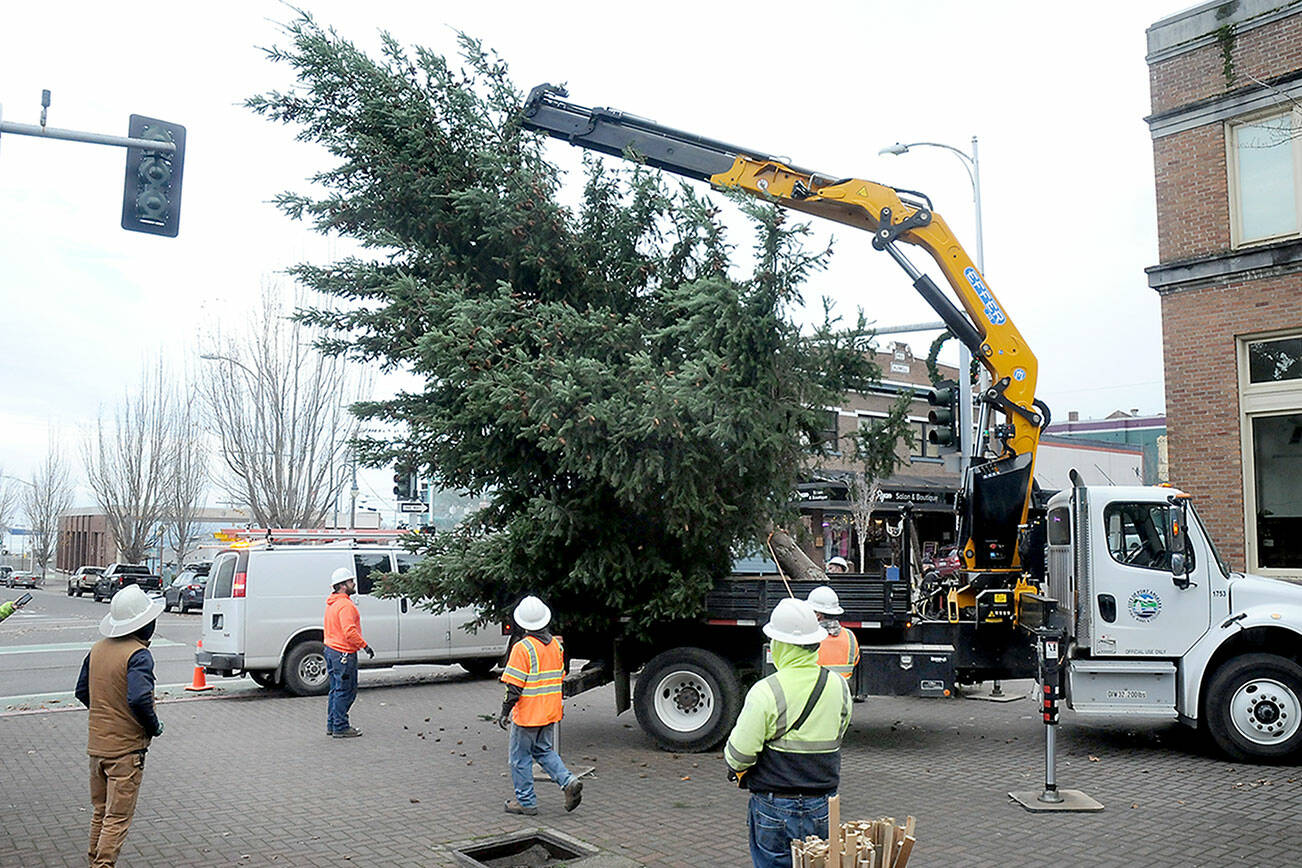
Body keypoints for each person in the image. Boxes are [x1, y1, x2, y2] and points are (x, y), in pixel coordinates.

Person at [724, 597, 852, 868]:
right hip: (822, 804)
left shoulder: (766, 691)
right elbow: (839, 732)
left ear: (780, 645)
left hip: (774, 806)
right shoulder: (838, 686)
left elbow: (739, 756)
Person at [74, 584, 166, 868]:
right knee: (117, 817)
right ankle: (103, 865)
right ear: (143, 624)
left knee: (100, 813)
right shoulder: (138, 654)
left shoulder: (97, 649)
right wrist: (153, 726)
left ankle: (94, 862)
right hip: (126, 751)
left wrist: (106, 712)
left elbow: (81, 691)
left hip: (97, 747)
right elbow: (139, 698)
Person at [498, 595, 583, 815]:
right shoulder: (556, 645)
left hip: (528, 715)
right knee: (544, 750)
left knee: (519, 759)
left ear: (522, 622)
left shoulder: (522, 648)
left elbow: (514, 687)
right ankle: (568, 781)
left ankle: (526, 802)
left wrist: (504, 712)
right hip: (550, 712)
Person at [323, 566, 374, 738]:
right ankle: (341, 726)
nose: (354, 584)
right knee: (346, 690)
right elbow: (349, 631)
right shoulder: (345, 605)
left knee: (336, 689)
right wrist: (364, 645)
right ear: (343, 585)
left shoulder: (332, 603)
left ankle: (332, 724)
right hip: (343, 653)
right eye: (351, 581)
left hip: (331, 650)